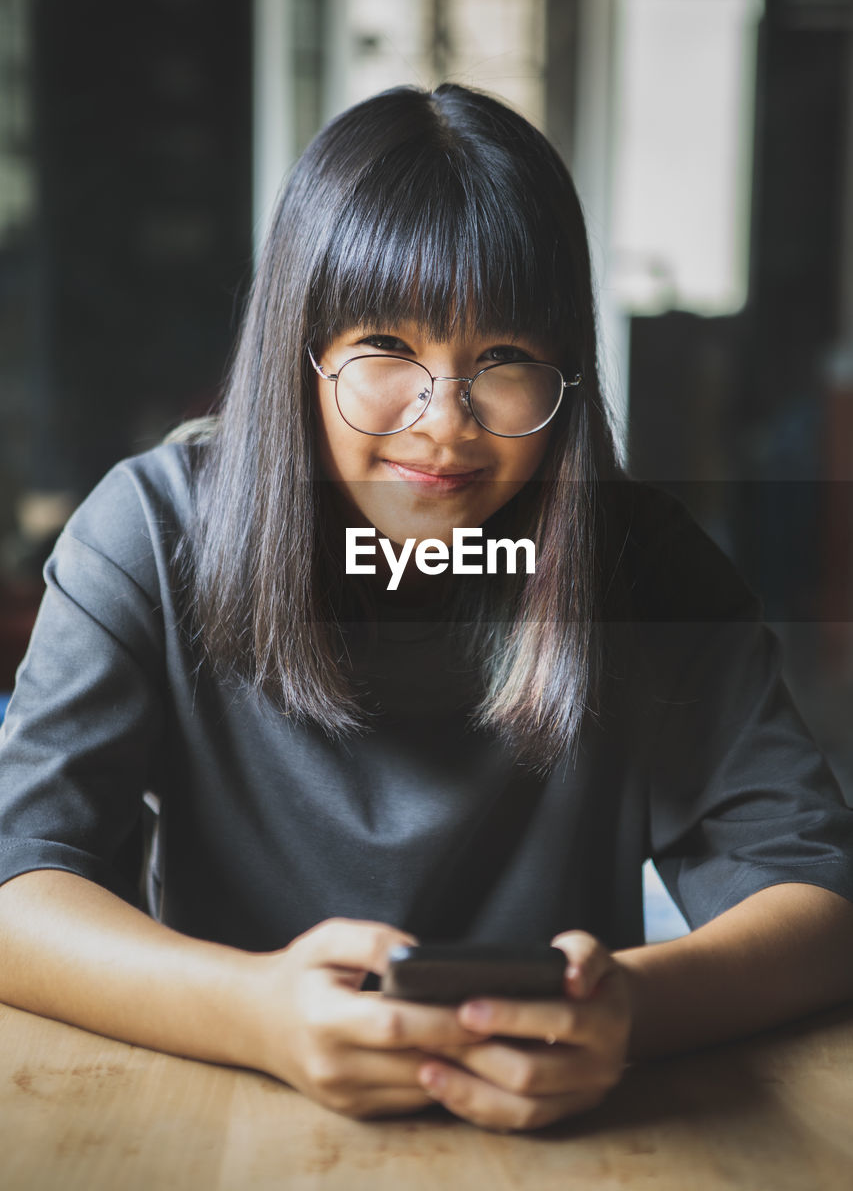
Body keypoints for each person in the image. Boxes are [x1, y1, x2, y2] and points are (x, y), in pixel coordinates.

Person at [1, 84, 852, 1134]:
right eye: (387, 351)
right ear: (300, 350)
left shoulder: (640, 563)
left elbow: (818, 895)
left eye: (501, 360)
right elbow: (18, 885)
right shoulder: (150, 530)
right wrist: (258, 1011)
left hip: (561, 1134)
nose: (441, 423)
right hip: (225, 1118)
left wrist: (630, 1007)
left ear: (568, 373)